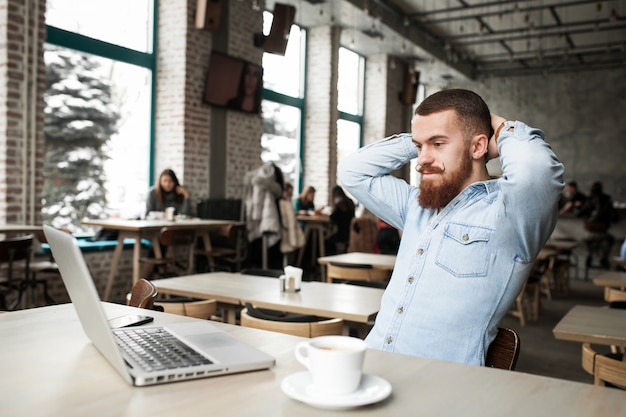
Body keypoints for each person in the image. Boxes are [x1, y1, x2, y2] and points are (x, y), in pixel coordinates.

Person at [338, 88, 564, 365]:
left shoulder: (509, 216)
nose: (422, 160)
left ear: (479, 147)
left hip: (440, 386)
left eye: (439, 144)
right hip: (372, 365)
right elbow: (353, 171)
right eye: (421, 147)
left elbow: (535, 170)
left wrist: (500, 126)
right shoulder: (417, 206)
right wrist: (422, 139)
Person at [580, 181, 615, 269]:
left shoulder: (589, 199)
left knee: (591, 241)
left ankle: (590, 255)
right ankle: (603, 258)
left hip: (589, 231)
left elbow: (581, 212)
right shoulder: (607, 199)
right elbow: (612, 215)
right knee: (609, 240)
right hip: (601, 230)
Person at [325, 185, 356, 255]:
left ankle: (330, 261)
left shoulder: (338, 204)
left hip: (341, 234)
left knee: (326, 241)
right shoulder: (350, 202)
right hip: (350, 233)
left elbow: (332, 218)